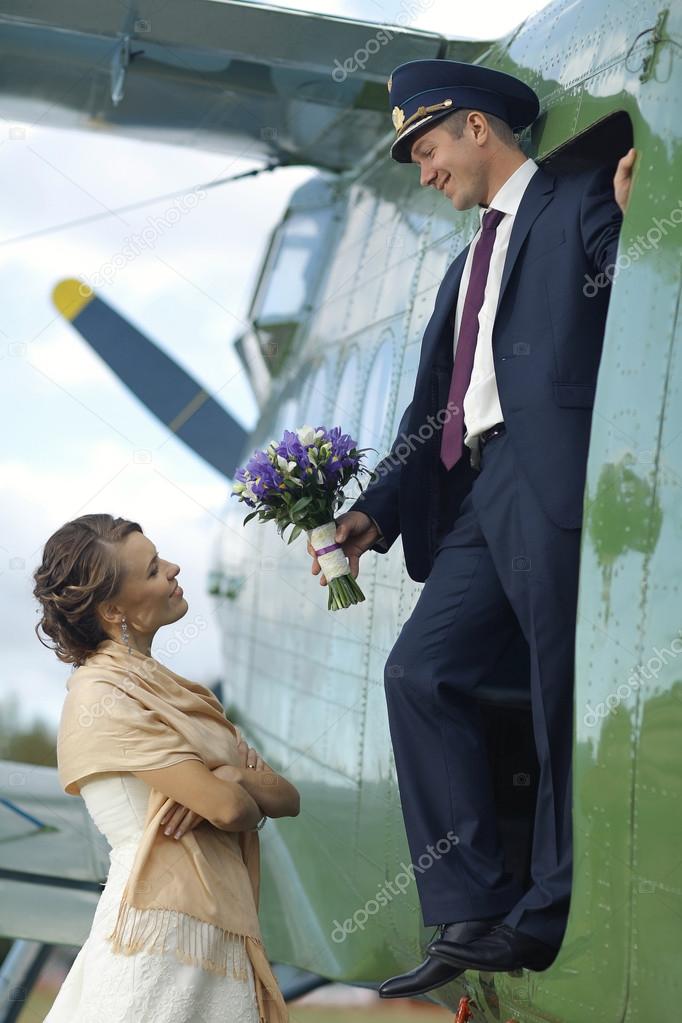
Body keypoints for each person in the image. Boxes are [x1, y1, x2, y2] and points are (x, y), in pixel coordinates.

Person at [307, 58, 635, 996]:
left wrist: (636, 217)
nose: (423, 168)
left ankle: (543, 910)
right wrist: (372, 511)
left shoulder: (578, 204)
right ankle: (470, 904)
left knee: (555, 687)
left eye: (428, 146)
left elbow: (632, 305)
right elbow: (431, 411)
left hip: (552, 485)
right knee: (418, 669)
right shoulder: (463, 269)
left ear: (479, 129)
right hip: (476, 496)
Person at [33, 513, 299, 1022]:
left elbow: (285, 798)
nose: (175, 569)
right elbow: (231, 811)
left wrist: (235, 774)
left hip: (209, 932)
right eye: (154, 569)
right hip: (161, 938)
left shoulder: (183, 692)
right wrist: (230, 785)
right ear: (115, 610)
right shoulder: (101, 694)